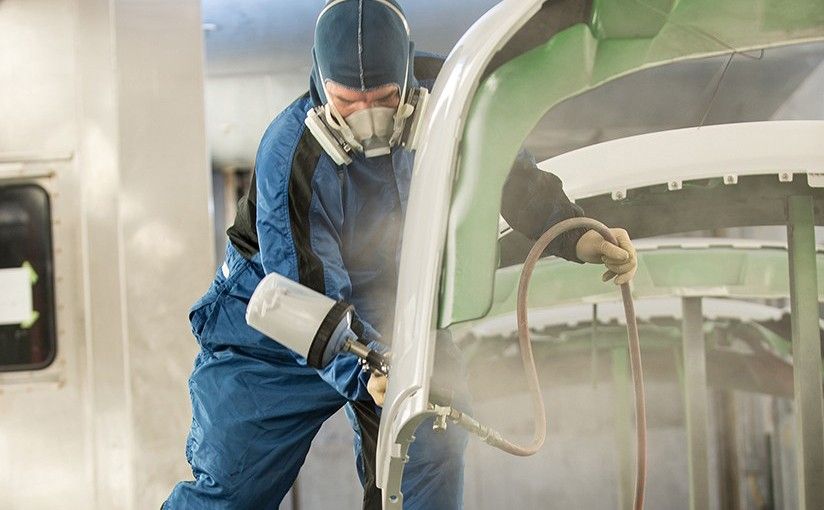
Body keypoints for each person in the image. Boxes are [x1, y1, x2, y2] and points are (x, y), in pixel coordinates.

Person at [164, 1, 637, 509]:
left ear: (408, 73)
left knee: (429, 438)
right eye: (348, 102)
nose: (370, 118)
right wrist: (366, 370)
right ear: (322, 86)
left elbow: (511, 176)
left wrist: (577, 235)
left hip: (390, 306)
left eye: (385, 98)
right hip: (278, 319)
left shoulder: (453, 96)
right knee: (233, 491)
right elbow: (308, 289)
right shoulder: (289, 154)